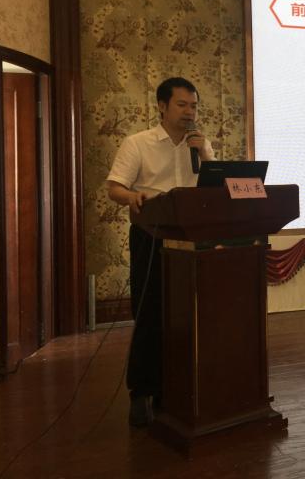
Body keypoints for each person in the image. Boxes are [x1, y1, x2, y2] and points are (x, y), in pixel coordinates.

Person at [106, 77, 214, 426]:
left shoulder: (200, 145)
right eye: (182, 105)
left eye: (193, 106)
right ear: (162, 106)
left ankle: (180, 387)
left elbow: (213, 189)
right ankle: (142, 392)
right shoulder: (138, 143)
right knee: (151, 315)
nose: (189, 112)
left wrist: (205, 155)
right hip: (151, 237)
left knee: (188, 315)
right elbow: (114, 188)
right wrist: (132, 196)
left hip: (191, 239)